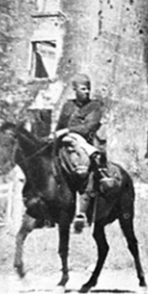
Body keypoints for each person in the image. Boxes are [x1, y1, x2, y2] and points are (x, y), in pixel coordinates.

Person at [54, 74, 115, 233]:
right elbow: (60, 125)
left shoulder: (95, 106)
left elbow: (89, 127)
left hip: (86, 140)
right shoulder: (68, 105)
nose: (87, 92)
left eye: (88, 89)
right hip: (65, 140)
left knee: (86, 160)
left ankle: (82, 211)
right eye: (83, 89)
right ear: (74, 90)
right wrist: (55, 137)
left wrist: (67, 130)